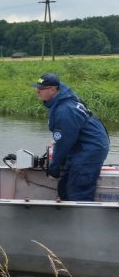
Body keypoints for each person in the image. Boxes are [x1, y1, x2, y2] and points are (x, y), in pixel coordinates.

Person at [33, 73, 110, 201]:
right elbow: (66, 135)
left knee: (78, 190)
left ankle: (81, 219)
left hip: (90, 149)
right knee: (64, 186)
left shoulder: (64, 110)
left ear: (52, 89)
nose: (37, 91)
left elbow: (64, 143)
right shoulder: (62, 99)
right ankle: (65, 215)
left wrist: (54, 168)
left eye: (41, 89)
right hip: (81, 145)